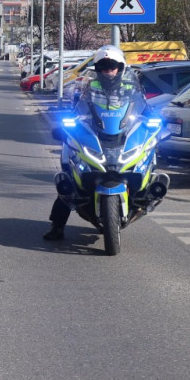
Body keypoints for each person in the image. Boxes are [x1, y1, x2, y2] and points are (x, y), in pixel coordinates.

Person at [43, 45, 145, 241]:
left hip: (120, 133)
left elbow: (142, 106)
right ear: (97, 69)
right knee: (69, 180)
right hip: (95, 133)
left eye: (112, 66)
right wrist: (69, 122)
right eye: (103, 66)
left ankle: (143, 195)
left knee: (144, 156)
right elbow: (78, 106)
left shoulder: (130, 87)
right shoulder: (90, 85)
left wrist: (151, 120)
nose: (108, 70)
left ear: (120, 67)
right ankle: (57, 227)